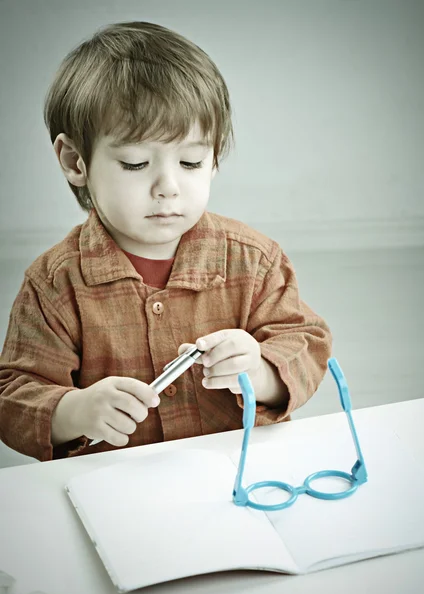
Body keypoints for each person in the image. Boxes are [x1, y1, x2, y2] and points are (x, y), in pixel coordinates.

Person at [0, 21, 332, 461]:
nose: (168, 187)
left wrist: (261, 369)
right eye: (136, 163)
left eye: (191, 161)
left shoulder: (253, 260)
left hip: (238, 472)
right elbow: (13, 398)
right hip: (118, 488)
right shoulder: (55, 283)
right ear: (75, 161)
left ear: (214, 158)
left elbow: (306, 345)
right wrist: (74, 410)